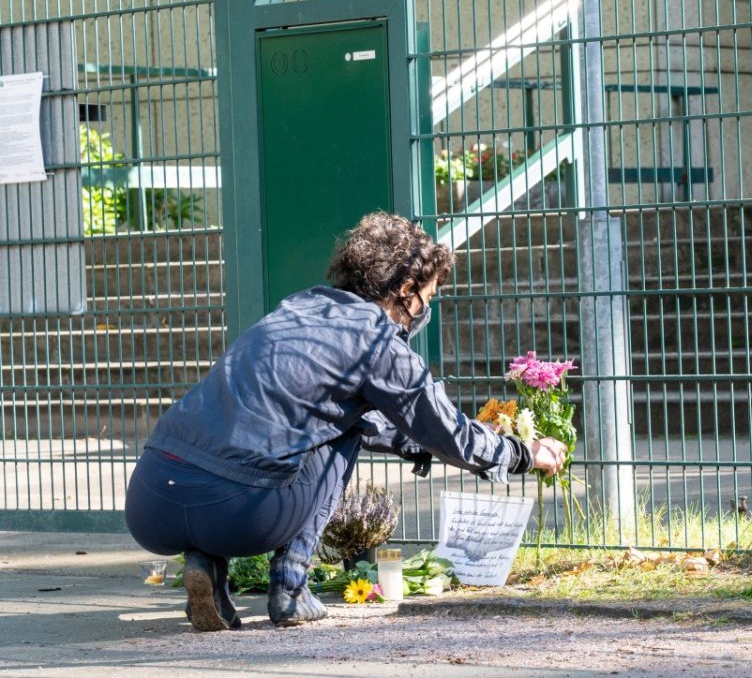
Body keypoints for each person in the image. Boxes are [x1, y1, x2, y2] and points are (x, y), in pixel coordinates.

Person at [124, 212, 568, 631]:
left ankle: (206, 566)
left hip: (151, 502)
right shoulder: (377, 339)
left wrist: (416, 442)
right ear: (407, 288)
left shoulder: (297, 308)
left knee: (265, 440)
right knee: (347, 431)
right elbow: (442, 430)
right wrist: (522, 454)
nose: (423, 312)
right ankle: (292, 586)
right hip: (239, 513)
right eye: (426, 299)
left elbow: (381, 421)